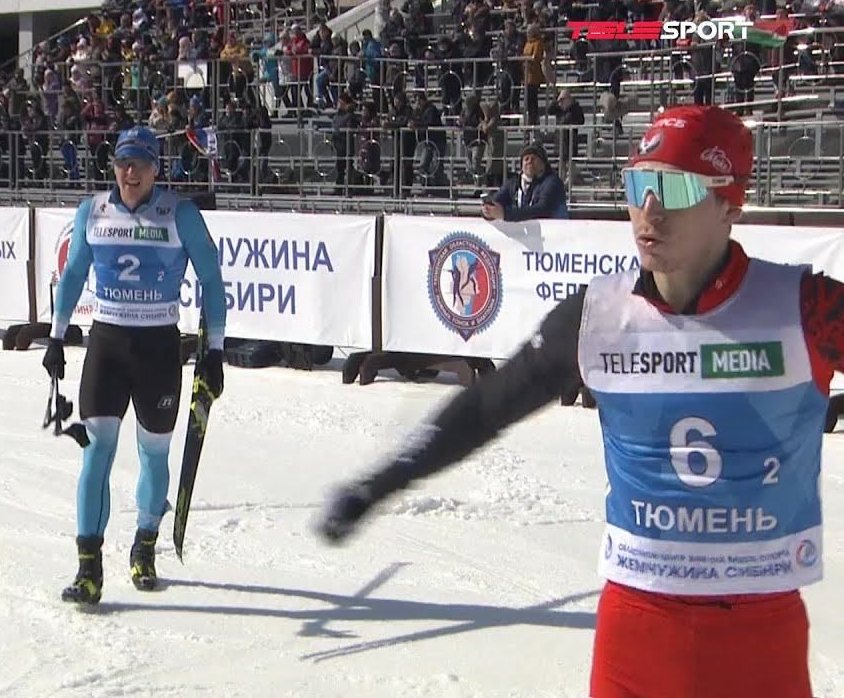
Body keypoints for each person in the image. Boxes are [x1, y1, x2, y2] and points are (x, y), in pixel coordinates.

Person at [316, 104, 844, 698]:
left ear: (730, 203)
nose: (650, 209)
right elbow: (487, 408)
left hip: (759, 641)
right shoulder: (598, 315)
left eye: (674, 186)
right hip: (638, 637)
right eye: (640, 184)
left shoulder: (807, 309)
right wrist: (382, 481)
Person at [43, 126, 227, 604]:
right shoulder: (93, 211)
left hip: (158, 350)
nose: (130, 172)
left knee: (153, 454)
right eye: (124, 163)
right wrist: (56, 337)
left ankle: (144, 544)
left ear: (155, 169)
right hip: (107, 345)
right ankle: (88, 568)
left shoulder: (179, 214)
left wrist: (216, 351)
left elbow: (212, 278)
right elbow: (73, 275)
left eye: (141, 164)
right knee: (96, 452)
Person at [482, 143, 569, 221]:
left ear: (543, 164)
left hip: (554, 233)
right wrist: (488, 211)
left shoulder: (552, 182)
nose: (529, 162)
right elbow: (497, 200)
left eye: (534, 159)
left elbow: (541, 209)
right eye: (526, 159)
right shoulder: (513, 183)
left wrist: (505, 214)